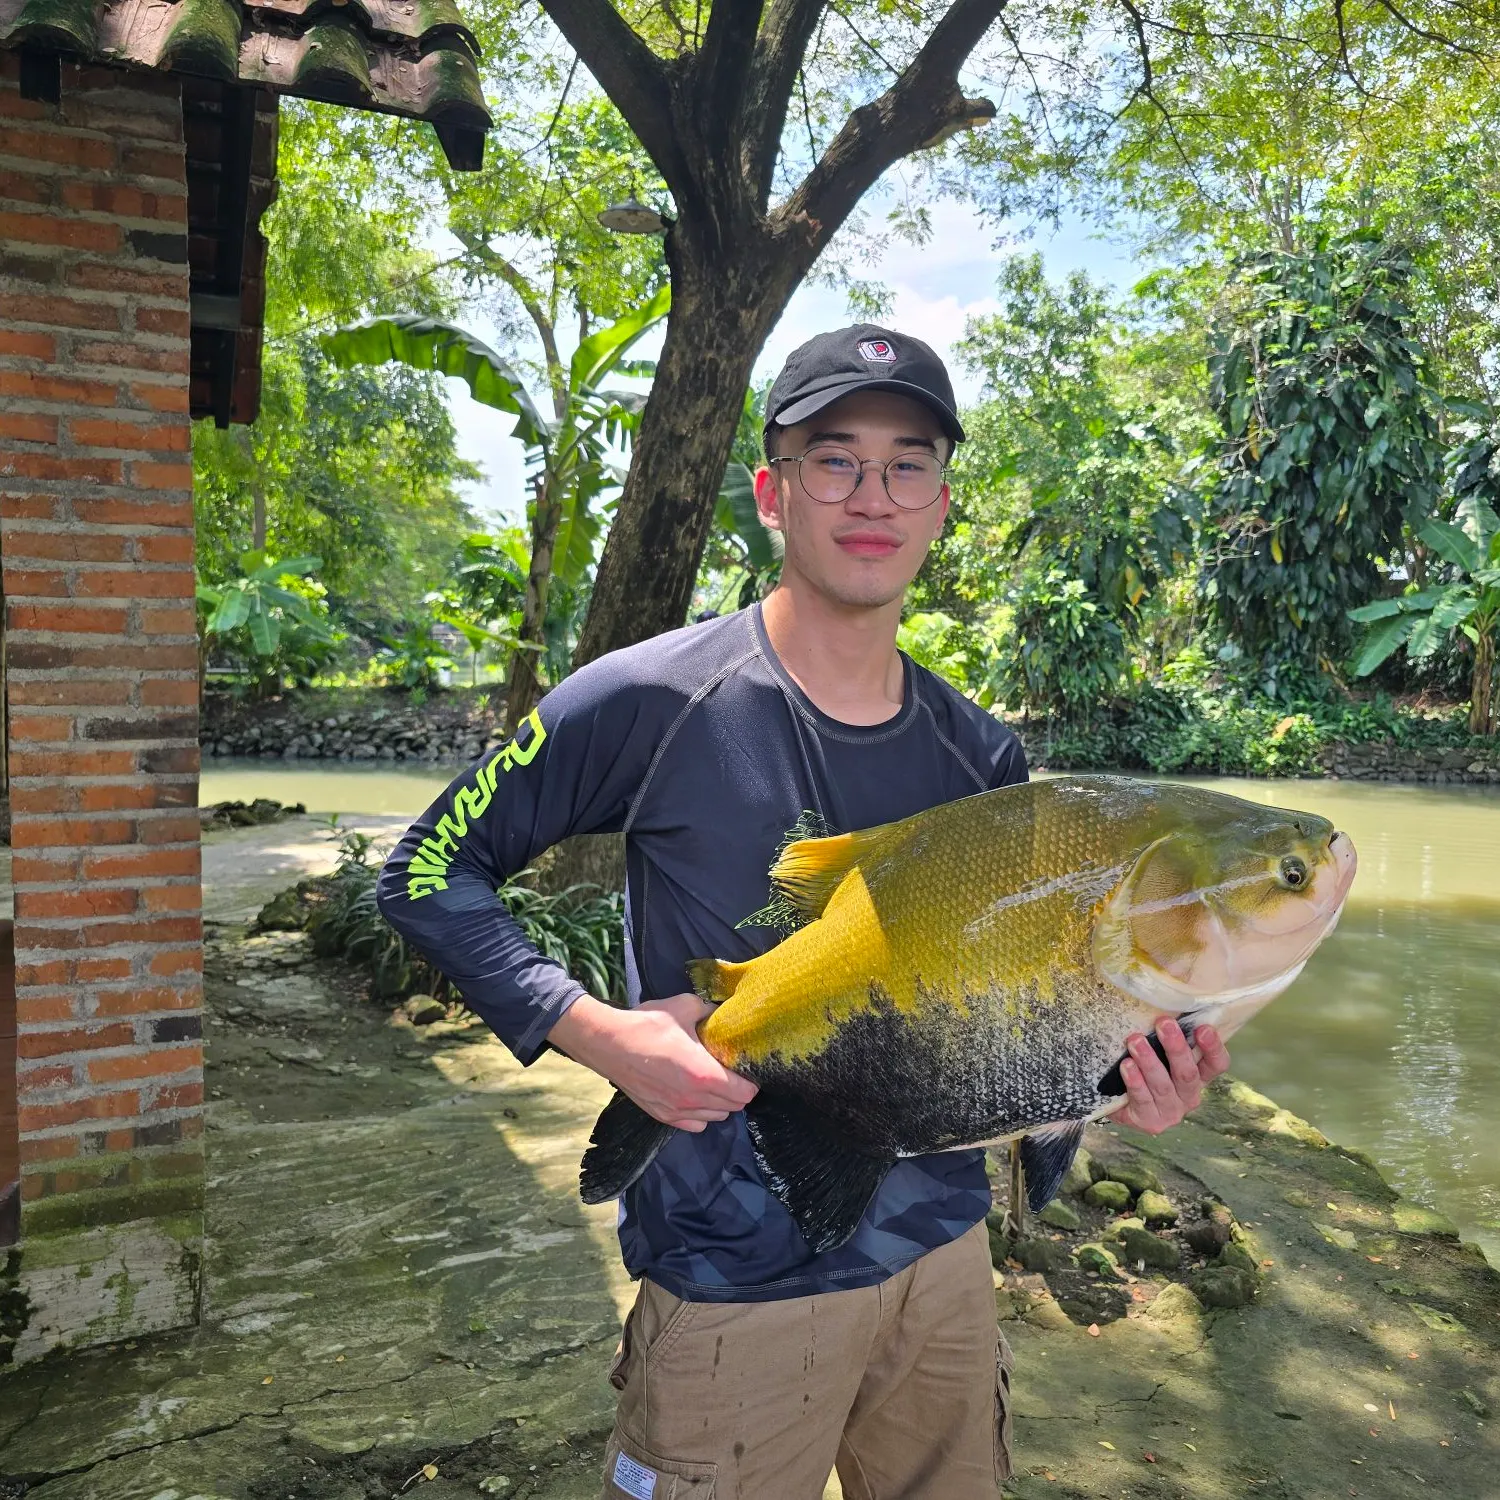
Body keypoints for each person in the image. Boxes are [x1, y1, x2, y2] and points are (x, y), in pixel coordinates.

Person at [376, 324, 1232, 1500]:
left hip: (942, 1270)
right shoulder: (646, 698)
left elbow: (1023, 1006)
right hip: (730, 1288)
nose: (872, 495)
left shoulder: (984, 755)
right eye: (835, 460)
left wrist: (1110, 1083)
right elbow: (427, 869)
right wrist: (595, 1032)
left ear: (941, 505)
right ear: (775, 494)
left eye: (908, 463)